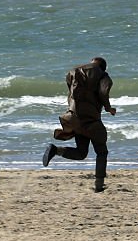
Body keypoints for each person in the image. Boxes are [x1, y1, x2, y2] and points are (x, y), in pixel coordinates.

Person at [42, 57, 116, 193]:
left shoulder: (74, 70)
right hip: (91, 120)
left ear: (93, 62)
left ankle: (55, 150)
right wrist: (108, 108)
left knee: (82, 152)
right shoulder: (103, 75)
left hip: (74, 118)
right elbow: (103, 92)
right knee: (102, 152)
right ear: (103, 67)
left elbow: (70, 87)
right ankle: (99, 186)